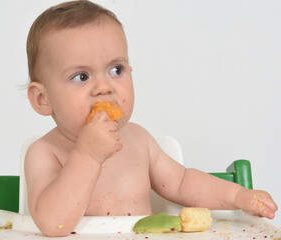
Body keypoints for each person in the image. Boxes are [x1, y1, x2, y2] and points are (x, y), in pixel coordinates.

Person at [25, 0, 278, 237]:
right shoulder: (44, 153)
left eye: (116, 70)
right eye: (81, 76)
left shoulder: (139, 140)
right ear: (42, 100)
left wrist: (237, 196)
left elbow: (182, 182)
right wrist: (87, 156)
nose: (104, 87)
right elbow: (52, 223)